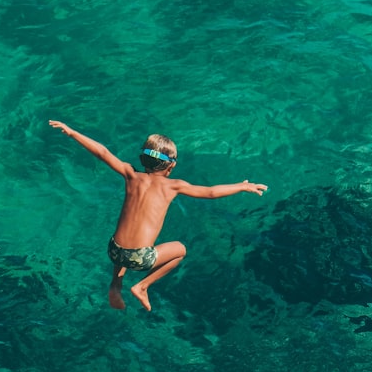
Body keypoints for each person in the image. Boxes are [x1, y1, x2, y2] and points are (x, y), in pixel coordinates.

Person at [48, 120, 267, 311]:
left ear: (144, 158)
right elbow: (210, 192)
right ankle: (142, 286)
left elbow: (103, 153)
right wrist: (240, 186)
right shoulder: (173, 186)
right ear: (171, 165)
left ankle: (116, 284)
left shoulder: (130, 174)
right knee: (180, 250)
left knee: (126, 244)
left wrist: (73, 132)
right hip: (140, 258)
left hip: (114, 250)